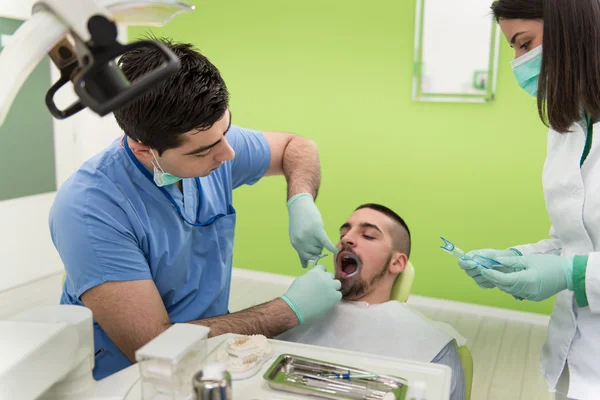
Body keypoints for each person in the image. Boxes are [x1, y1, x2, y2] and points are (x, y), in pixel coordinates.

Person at [49, 37, 342, 380]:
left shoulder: (210, 142)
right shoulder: (89, 209)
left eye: (226, 131)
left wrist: (300, 198)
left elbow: (297, 147)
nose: (228, 155)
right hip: (126, 378)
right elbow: (151, 345)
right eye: (203, 151)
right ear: (146, 150)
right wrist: (285, 311)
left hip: (209, 353)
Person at [455, 1, 600, 399]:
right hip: (575, 355)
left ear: (574, 28)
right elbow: (572, 239)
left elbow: (575, 264)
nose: (519, 63)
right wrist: (519, 256)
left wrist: (569, 275)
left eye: (525, 44)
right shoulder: (569, 127)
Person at [276, 204, 466, 400]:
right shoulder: (297, 313)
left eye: (368, 235)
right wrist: (285, 310)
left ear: (396, 263)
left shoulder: (433, 349)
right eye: (343, 234)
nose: (346, 239)